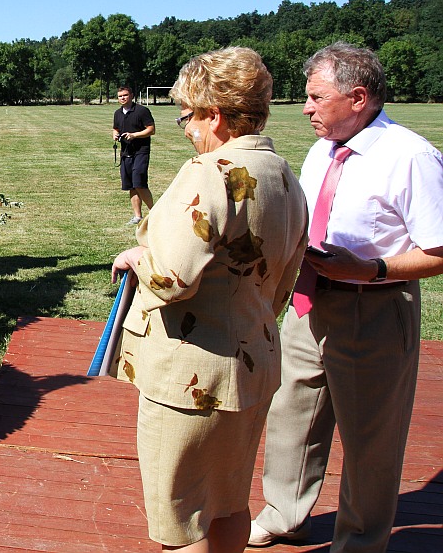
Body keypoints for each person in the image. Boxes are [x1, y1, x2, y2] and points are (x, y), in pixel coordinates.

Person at [112, 47, 307, 552]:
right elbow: (284, 281)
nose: (188, 131)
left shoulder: (209, 171)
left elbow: (174, 277)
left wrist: (136, 257)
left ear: (215, 115)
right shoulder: (287, 175)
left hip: (191, 380)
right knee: (229, 504)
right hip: (255, 366)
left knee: (182, 523)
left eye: (188, 118)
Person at [249, 42, 443, 552]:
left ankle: (360, 540)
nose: (306, 107)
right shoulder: (322, 150)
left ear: (358, 97)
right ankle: (284, 513)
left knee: (369, 440)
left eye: (315, 97)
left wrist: (371, 269)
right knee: (291, 413)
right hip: (310, 303)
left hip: (375, 308)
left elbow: (440, 250)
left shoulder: (412, 156)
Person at [112, 86, 155, 225]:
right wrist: (115, 134)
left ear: (131, 95)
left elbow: (151, 130)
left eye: (125, 95)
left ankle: (154, 213)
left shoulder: (142, 111)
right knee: (131, 185)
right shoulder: (118, 113)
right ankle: (137, 216)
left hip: (141, 151)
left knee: (139, 183)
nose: (122, 98)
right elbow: (116, 128)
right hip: (126, 152)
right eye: (120, 96)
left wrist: (134, 135)